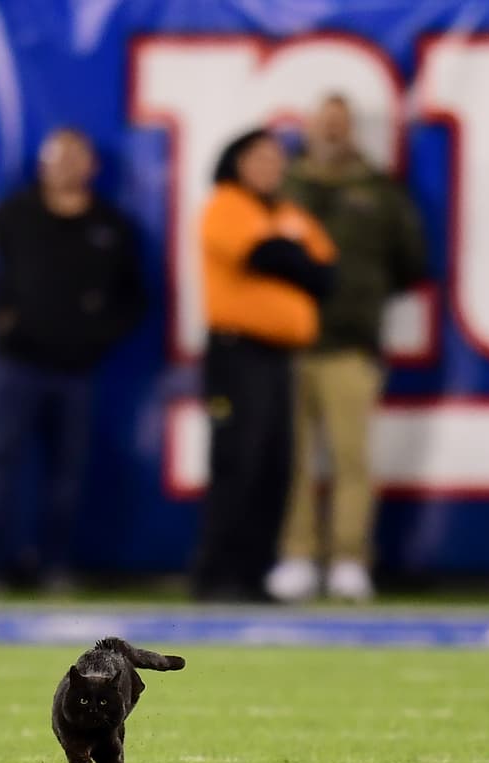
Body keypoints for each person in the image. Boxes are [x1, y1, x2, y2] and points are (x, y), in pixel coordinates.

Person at [264, 94, 427, 604]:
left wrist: (359, 297)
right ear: (308, 127)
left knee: (351, 459)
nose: (332, 130)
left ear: (353, 130)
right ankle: (296, 554)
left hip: (351, 344)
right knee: (292, 459)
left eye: (340, 122)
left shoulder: (379, 190)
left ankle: (349, 559)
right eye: (324, 121)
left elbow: (411, 261)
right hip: (286, 343)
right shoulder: (281, 186)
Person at [0, 128, 145, 592]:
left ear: (92, 166)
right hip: (17, 363)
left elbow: (134, 298)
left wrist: (96, 336)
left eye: (76, 156)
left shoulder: (111, 224)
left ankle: (53, 564)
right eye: (58, 156)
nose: (66, 164)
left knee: (67, 472)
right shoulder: (13, 214)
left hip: (77, 369)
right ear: (42, 164)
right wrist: (2, 320)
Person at [189, 129, 337, 602]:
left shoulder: (286, 213)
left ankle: (254, 574)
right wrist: (293, 255)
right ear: (237, 161)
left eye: (276, 159)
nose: (270, 166)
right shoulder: (227, 205)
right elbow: (267, 256)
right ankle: (219, 574)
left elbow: (325, 272)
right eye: (260, 157)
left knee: (276, 465)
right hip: (237, 352)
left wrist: (293, 256)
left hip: (278, 356)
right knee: (239, 460)